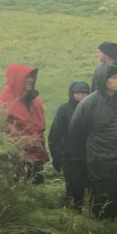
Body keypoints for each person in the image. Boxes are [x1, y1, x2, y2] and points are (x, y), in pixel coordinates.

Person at [68, 63, 117, 219]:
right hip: (103, 168)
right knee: (107, 210)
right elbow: (75, 136)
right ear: (103, 80)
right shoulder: (89, 104)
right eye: (114, 77)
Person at [0, 64, 48, 182]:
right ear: (16, 79)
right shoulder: (1, 102)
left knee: (37, 195)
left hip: (36, 159)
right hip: (14, 161)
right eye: (27, 77)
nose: (31, 80)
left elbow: (39, 130)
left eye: (32, 77)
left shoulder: (35, 101)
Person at [48, 80, 90, 208]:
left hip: (92, 157)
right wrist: (57, 157)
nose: (81, 96)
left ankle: (94, 220)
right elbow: (55, 136)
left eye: (84, 93)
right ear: (71, 94)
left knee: (96, 193)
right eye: (78, 93)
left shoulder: (93, 108)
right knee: (74, 194)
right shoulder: (64, 110)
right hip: (72, 159)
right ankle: (74, 220)